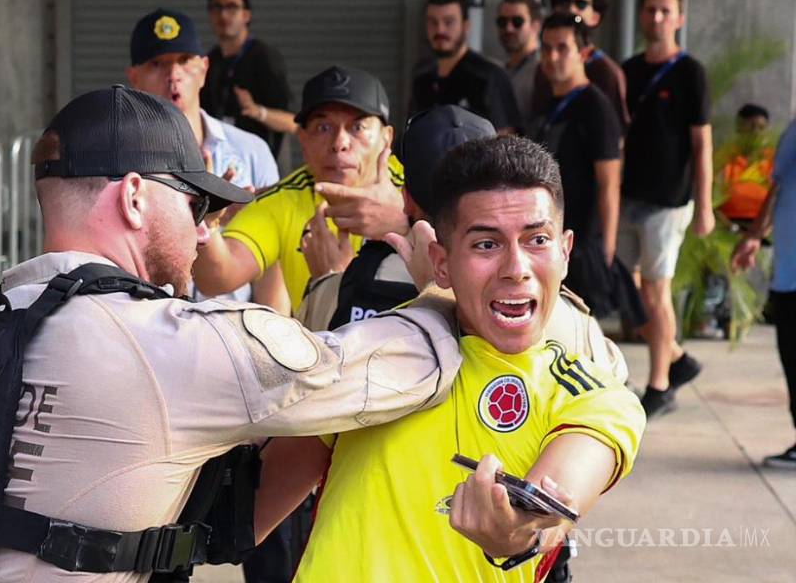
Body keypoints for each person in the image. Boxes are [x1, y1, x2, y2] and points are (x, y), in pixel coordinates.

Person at [0, 85, 467, 582]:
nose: (204, 231)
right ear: (134, 198)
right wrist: (443, 280)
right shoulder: (167, 341)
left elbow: (212, 520)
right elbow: (403, 367)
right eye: (196, 205)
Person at [265, 136, 646, 582]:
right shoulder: (367, 354)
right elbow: (247, 514)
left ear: (565, 251)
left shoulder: (595, 396)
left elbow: (554, 505)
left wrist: (516, 532)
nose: (516, 268)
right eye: (486, 244)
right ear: (441, 262)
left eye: (537, 239)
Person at [193, 65, 408, 314]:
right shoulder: (284, 199)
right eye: (323, 128)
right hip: (323, 340)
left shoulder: (418, 191)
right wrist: (206, 221)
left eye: (357, 127)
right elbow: (216, 279)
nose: (339, 143)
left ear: (386, 137)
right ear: (303, 139)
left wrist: (405, 224)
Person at [127, 8, 284, 310]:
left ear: (204, 68)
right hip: (151, 321)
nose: (174, 75)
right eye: (157, 63)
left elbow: (271, 266)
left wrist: (273, 330)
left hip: (234, 323)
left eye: (184, 60)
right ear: (134, 77)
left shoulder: (251, 151)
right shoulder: (121, 160)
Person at [620, 0, 714, 418]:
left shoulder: (690, 72)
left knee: (656, 292)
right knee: (628, 289)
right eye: (651, 10)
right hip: (628, 196)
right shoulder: (629, 70)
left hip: (669, 201)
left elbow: (702, 144)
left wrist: (704, 205)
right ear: (642, 16)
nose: (657, 18)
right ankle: (677, 357)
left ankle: (660, 385)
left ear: (679, 18)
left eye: (665, 11)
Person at [533, 13, 645, 325]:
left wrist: (606, 247)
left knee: (583, 327)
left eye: (562, 48)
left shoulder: (596, 106)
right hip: (554, 230)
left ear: (583, 53)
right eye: (547, 48)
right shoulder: (548, 102)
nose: (553, 57)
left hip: (585, 238)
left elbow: (609, 182)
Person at [733, 115, 796, 468]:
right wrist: (755, 235)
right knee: (791, 356)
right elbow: (779, 186)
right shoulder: (794, 131)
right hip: (788, 273)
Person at [200, 0, 292, 157]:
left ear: (246, 15)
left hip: (261, 162)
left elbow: (292, 122)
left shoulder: (264, 57)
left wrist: (258, 112)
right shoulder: (209, 60)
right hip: (223, 161)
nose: (223, 15)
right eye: (217, 7)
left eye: (232, 7)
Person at [410, 0, 521, 133]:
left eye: (449, 22)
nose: (440, 30)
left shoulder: (490, 76)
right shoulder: (421, 76)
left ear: (466, 26)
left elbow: (507, 136)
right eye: (433, 22)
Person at [534, 0, 630, 127]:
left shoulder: (606, 72)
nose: (571, 9)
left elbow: (615, 133)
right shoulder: (544, 65)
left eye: (581, 4)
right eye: (564, 2)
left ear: (595, 17)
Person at [719, 103, 774, 224]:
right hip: (727, 224)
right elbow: (710, 200)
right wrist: (731, 227)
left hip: (765, 224)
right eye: (751, 126)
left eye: (761, 128)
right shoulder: (725, 157)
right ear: (739, 128)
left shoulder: (773, 159)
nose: (756, 132)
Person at [497, 0, 543, 123]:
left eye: (517, 22)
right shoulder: (501, 69)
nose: (508, 28)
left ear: (536, 26)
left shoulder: (544, 68)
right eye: (502, 22)